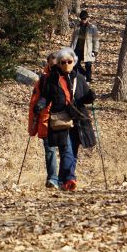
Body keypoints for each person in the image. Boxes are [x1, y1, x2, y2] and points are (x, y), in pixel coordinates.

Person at [33, 48, 96, 191]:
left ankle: (64, 179)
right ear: (59, 64)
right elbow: (46, 96)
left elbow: (84, 98)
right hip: (61, 119)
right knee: (66, 149)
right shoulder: (52, 79)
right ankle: (69, 179)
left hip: (79, 119)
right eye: (63, 62)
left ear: (74, 62)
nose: (66, 64)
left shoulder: (79, 78)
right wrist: (40, 105)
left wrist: (90, 96)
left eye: (69, 61)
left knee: (73, 151)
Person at [28, 51, 60, 188]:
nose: (54, 67)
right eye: (51, 64)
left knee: (66, 150)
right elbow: (35, 100)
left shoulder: (68, 77)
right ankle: (53, 178)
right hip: (46, 120)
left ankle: (65, 179)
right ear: (48, 63)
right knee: (50, 150)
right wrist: (35, 119)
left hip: (64, 118)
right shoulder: (43, 79)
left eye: (56, 64)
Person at [70, 10, 100, 83]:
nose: (83, 20)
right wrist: (71, 49)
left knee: (88, 65)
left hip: (88, 50)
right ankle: (84, 75)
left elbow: (96, 40)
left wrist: (95, 50)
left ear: (87, 18)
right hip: (77, 49)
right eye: (82, 19)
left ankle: (88, 79)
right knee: (75, 63)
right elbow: (73, 39)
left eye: (84, 19)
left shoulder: (93, 28)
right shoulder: (77, 26)